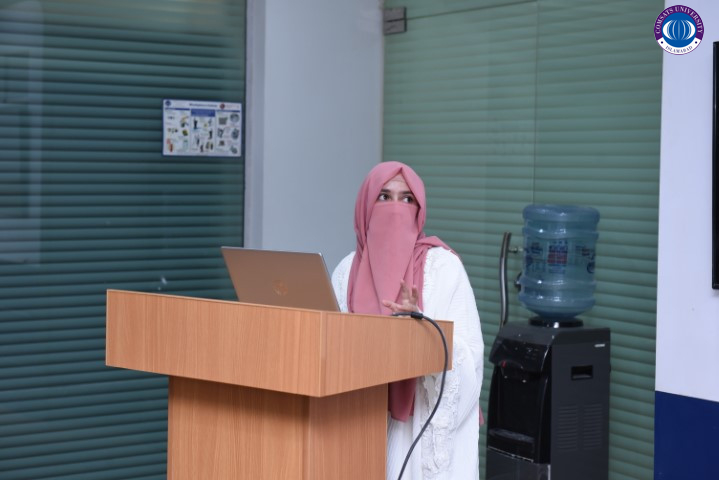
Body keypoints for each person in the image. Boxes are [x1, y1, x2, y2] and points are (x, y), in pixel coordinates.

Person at [331, 161, 484, 479]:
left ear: (419, 210)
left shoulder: (443, 268)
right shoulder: (347, 270)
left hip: (418, 427)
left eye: (407, 198)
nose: (395, 208)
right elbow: (332, 345)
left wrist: (420, 327)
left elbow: (470, 358)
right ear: (365, 205)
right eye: (384, 197)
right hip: (360, 421)